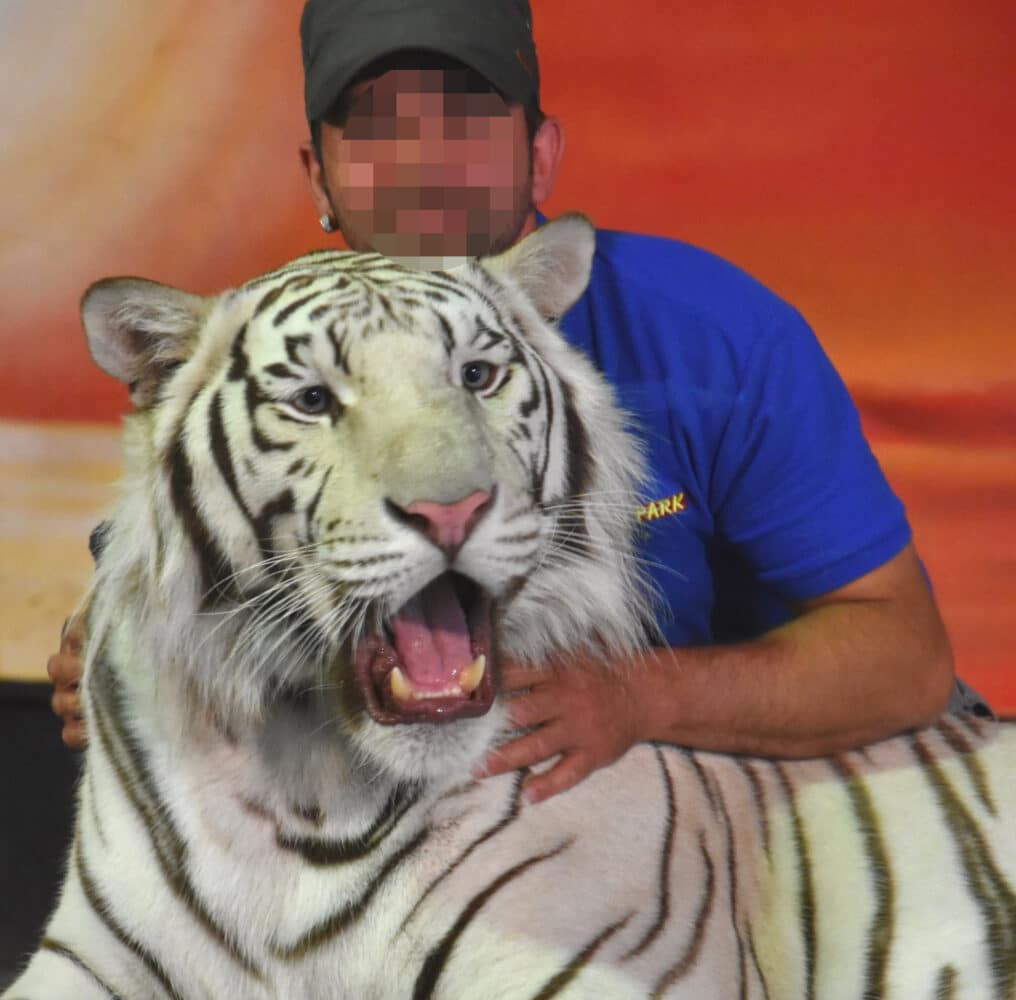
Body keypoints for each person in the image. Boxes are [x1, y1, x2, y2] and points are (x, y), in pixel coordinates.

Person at [50, 0, 984, 805]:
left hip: (798, 793)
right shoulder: (262, 359)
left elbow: (904, 660)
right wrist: (131, 657)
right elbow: (177, 603)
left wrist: (641, 696)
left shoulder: (710, 334)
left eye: (465, 118)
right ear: (319, 178)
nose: (421, 161)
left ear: (540, 159)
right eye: (375, 126)